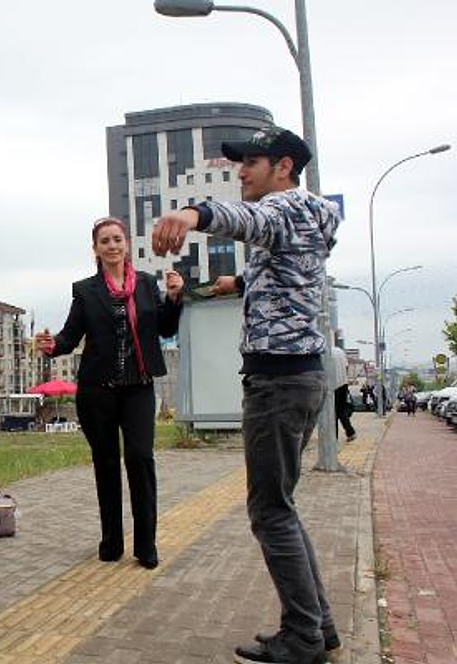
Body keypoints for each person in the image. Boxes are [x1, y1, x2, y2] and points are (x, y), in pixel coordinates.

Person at [152, 126, 341, 664]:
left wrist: (191, 215)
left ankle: (303, 636)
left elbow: (247, 220)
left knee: (269, 513)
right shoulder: (309, 217)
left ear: (284, 167)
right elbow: (289, 272)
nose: (241, 172)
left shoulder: (282, 210)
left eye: (251, 163)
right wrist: (236, 285)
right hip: (298, 376)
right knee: (281, 506)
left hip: (278, 381)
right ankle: (318, 625)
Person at [36, 216, 183, 571]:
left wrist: (176, 298)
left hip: (138, 389)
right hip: (97, 391)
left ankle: (146, 545)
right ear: (96, 249)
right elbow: (70, 337)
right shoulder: (85, 291)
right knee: (106, 465)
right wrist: (51, 345)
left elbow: (164, 328)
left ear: (127, 245)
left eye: (118, 239)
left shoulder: (147, 285)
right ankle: (112, 542)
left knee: (139, 458)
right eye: (105, 241)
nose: (112, 246)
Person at [331, 345, 356, 441]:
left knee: (332, 412)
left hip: (332, 385)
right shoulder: (340, 351)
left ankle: (333, 437)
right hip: (343, 384)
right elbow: (346, 367)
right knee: (341, 410)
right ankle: (350, 432)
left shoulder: (326, 351)